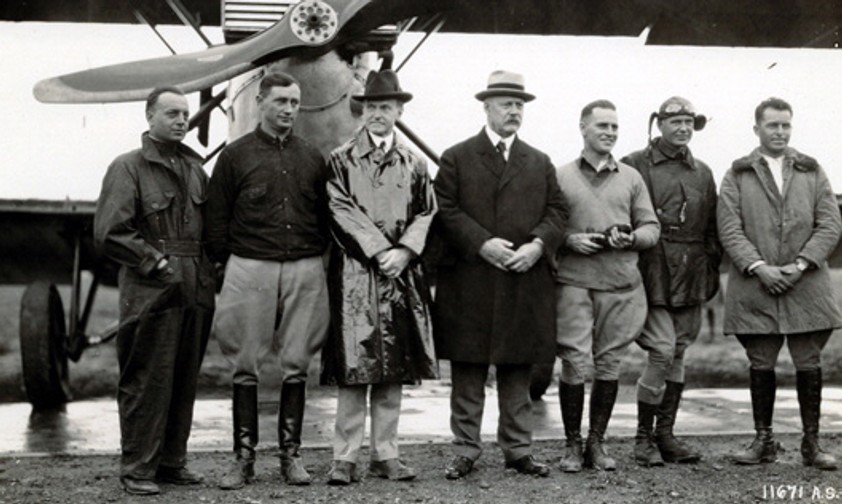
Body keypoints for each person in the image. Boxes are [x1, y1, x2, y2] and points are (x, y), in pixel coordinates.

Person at [433, 70, 565, 480]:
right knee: (467, 370)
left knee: (517, 370)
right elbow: (444, 208)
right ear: (486, 107)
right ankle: (465, 450)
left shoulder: (539, 161)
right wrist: (481, 243)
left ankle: (518, 450)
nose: (514, 111)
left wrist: (537, 245)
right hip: (470, 280)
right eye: (506, 104)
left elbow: (557, 211)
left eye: (519, 105)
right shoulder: (456, 157)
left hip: (521, 278)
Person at [205, 71, 331, 489]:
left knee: (297, 362)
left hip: (303, 267)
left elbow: (325, 216)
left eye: (294, 102)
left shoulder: (312, 156)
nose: (289, 110)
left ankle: (291, 457)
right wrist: (231, 263)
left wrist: (313, 259)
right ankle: (243, 459)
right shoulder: (235, 156)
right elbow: (216, 219)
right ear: (260, 102)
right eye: (280, 101)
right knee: (245, 363)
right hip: (250, 265)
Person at [94, 86, 215, 496]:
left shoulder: (196, 170)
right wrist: (156, 263)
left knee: (184, 377)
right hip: (151, 289)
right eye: (171, 113)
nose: (181, 120)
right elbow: (111, 232)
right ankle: (137, 469)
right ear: (149, 116)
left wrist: (209, 271)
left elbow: (210, 230)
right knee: (147, 378)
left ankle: (171, 463)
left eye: (184, 113)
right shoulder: (127, 167)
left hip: (195, 287)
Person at [320, 69, 438, 485]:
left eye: (385, 107)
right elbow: (339, 209)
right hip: (356, 276)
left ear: (399, 111)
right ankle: (345, 456)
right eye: (370, 107)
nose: (377, 114)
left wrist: (405, 251)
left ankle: (386, 453)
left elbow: (427, 211)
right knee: (355, 370)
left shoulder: (415, 162)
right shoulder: (341, 159)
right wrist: (380, 250)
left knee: (394, 371)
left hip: (400, 278)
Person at [718, 97, 840, 471]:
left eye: (786, 125)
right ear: (757, 128)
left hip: (806, 284)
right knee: (761, 361)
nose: (780, 132)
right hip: (755, 285)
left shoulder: (811, 170)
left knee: (808, 360)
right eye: (773, 125)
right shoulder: (738, 174)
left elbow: (830, 223)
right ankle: (764, 440)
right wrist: (759, 267)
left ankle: (812, 443)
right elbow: (729, 227)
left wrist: (801, 264)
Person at [554, 100, 660, 473]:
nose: (610, 132)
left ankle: (596, 443)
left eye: (614, 126)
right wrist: (568, 240)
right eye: (602, 125)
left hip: (619, 283)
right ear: (583, 127)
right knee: (573, 360)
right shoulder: (561, 176)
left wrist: (631, 238)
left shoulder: (631, 178)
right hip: (574, 282)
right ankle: (572, 444)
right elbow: (544, 226)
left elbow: (651, 227)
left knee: (609, 361)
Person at [620, 97, 721, 467]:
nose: (683, 128)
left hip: (691, 272)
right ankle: (642, 438)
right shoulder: (634, 164)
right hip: (651, 270)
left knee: (678, 351)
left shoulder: (703, 172)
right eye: (675, 121)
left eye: (689, 122)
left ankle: (665, 435)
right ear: (659, 124)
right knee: (662, 350)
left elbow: (712, 229)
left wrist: (707, 267)